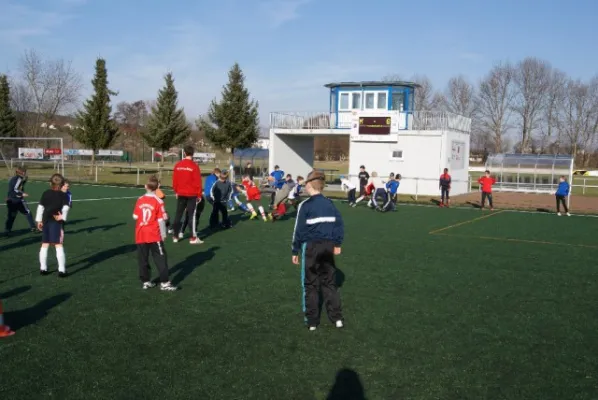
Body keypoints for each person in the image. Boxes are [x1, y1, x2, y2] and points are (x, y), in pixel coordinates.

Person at [292, 170, 344, 331]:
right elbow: (339, 224)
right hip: (328, 246)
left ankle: (312, 320)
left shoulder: (305, 205)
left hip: (311, 247)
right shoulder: (330, 203)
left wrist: (295, 250)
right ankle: (337, 319)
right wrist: (337, 244)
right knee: (329, 283)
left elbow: (298, 230)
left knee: (310, 284)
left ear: (309, 185)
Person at [133, 176, 177, 291]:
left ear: (145, 187)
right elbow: (161, 219)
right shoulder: (158, 201)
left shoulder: (140, 199)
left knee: (143, 259)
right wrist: (163, 233)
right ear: (158, 187)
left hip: (140, 233)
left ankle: (146, 281)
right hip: (153, 234)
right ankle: (165, 282)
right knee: (160, 258)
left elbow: (135, 216)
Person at [35, 173, 70, 277]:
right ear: (62, 183)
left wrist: (38, 220)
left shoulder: (45, 193)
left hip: (46, 220)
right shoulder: (64, 195)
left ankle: (43, 268)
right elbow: (66, 208)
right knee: (58, 245)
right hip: (56, 222)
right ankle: (62, 270)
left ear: (50, 183)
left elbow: (40, 207)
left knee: (45, 244)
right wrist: (62, 217)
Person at [172, 145, 203, 244]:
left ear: (184, 153)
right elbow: (198, 182)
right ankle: (193, 238)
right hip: (192, 194)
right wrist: (199, 195)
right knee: (191, 216)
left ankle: (175, 236)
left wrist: (176, 191)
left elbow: (175, 181)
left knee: (178, 215)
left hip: (181, 194)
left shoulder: (178, 165)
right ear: (193, 154)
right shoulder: (194, 166)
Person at [5, 167, 37, 234]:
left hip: (11, 199)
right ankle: (33, 227)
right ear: (22, 172)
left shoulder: (16, 178)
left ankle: (7, 229)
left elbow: (17, 186)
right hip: (17, 199)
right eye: (25, 172)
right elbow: (15, 189)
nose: (26, 173)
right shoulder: (18, 179)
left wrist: (25, 180)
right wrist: (22, 194)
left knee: (12, 215)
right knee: (27, 212)